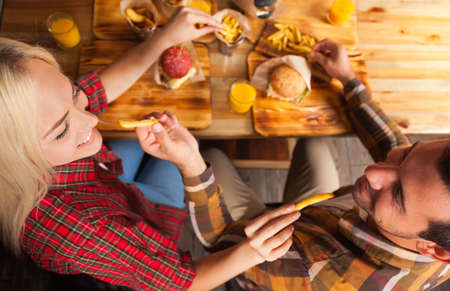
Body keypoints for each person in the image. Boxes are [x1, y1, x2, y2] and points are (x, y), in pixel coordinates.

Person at [0, 7, 300, 291]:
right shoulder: (73, 233)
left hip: (111, 181)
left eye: (74, 93)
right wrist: (252, 251)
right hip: (145, 216)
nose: (92, 118)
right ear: (16, 158)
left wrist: (165, 36)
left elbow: (99, 90)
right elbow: (184, 283)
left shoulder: (39, 123)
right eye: (62, 130)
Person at [182, 39, 449, 290]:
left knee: (211, 158)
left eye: (398, 193)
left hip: (260, 255)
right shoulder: (433, 219)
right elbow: (397, 150)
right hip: (322, 213)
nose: (372, 171)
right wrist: (348, 79)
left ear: (435, 251)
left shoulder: (317, 271)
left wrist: (191, 166)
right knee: (314, 144)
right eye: (407, 156)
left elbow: (221, 246)